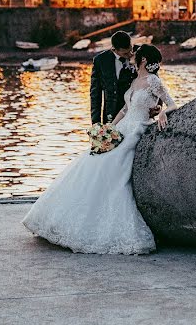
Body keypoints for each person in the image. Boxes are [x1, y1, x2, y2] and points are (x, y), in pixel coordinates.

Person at [22, 44, 176, 254]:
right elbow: (125, 109)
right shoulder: (135, 80)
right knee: (92, 159)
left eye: (135, 56)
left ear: (142, 60)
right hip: (122, 127)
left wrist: (162, 114)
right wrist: (109, 128)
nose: (131, 57)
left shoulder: (153, 81)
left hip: (137, 129)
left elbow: (171, 103)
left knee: (110, 164)